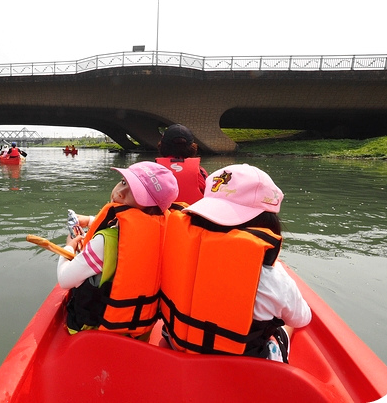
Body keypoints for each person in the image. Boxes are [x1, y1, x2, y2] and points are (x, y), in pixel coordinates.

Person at [159, 164, 311, 363]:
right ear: (267, 222)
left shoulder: (179, 248)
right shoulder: (272, 276)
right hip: (241, 366)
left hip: (176, 343)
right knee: (286, 326)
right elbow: (302, 318)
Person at [57, 161, 179, 340]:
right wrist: (92, 220)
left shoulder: (103, 243)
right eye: (123, 182)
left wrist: (69, 246)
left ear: (150, 206)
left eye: (136, 194)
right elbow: (135, 226)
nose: (119, 193)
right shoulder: (169, 227)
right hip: (141, 330)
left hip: (97, 330)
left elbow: (64, 280)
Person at [156, 123, 208, 204]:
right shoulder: (200, 172)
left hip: (162, 215)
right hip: (190, 214)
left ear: (162, 146)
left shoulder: (151, 170)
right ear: (192, 147)